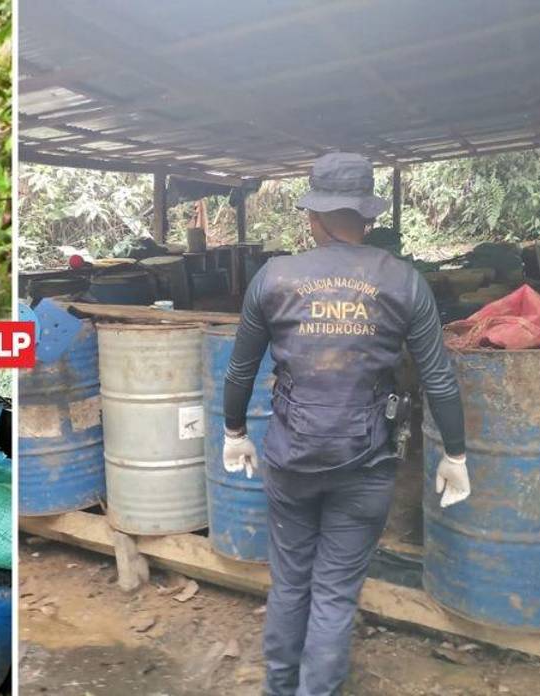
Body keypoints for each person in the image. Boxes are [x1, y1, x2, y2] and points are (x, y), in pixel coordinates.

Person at [221, 152, 470, 696]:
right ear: (370, 219)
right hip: (365, 464)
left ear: (313, 217)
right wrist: (456, 454)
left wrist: (234, 433)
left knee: (289, 586)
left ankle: (278, 689)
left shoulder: (275, 277)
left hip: (291, 459)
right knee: (333, 594)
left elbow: (242, 368)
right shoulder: (404, 281)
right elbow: (438, 378)